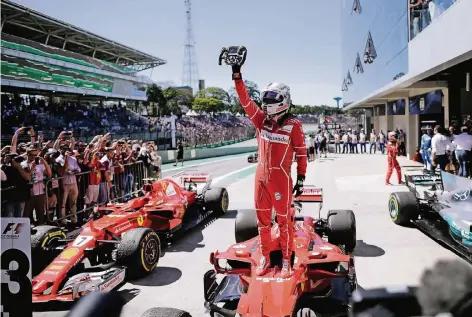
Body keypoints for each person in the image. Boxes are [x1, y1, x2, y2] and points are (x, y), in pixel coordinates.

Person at [231, 62, 307, 278]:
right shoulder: (260, 120)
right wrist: (237, 75)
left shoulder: (295, 125)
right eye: (265, 99)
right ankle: (265, 257)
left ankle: (286, 260)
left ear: (284, 101)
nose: (266, 103)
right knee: (262, 223)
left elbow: (301, 152)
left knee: (284, 222)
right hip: (260, 178)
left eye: (272, 99)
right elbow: (245, 100)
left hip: (281, 179)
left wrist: (301, 177)